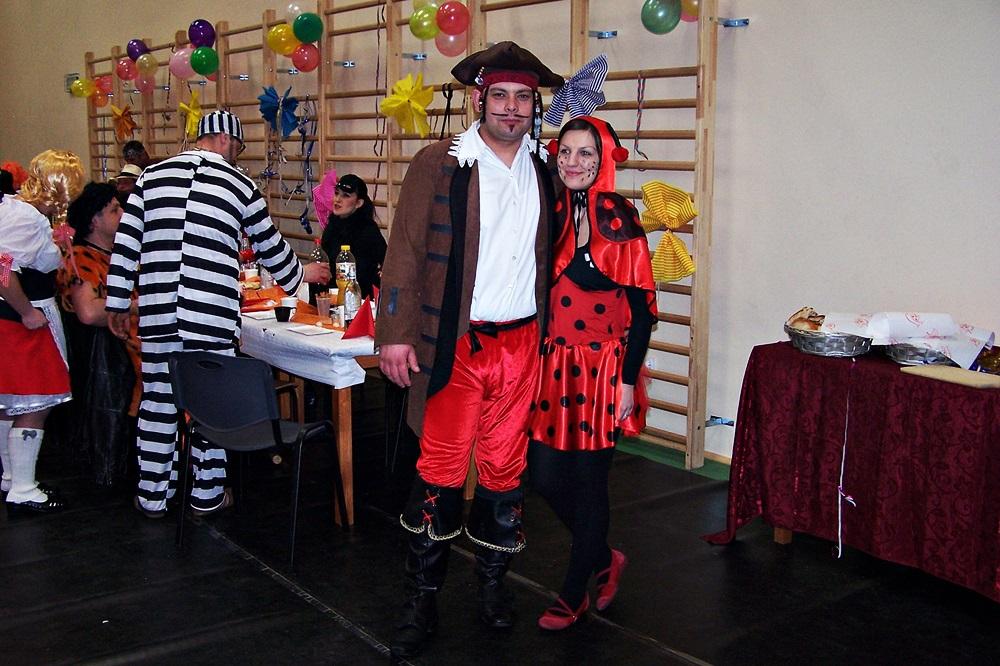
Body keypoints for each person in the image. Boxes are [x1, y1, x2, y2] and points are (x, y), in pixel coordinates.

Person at [376, 42, 563, 659]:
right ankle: (420, 600)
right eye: (500, 95)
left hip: (522, 345)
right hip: (455, 343)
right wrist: (395, 334)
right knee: (440, 470)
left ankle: (492, 587)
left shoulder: (545, 169)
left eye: (523, 98)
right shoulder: (441, 163)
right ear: (480, 99)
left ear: (534, 105)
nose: (511, 108)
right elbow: (403, 251)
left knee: (505, 472)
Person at [105, 110, 331, 519]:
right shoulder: (240, 184)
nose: (237, 154)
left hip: (158, 313)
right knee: (211, 405)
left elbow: (126, 245)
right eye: (238, 146)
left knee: (158, 403)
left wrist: (118, 302)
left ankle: (152, 496)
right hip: (210, 315)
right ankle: (207, 494)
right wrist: (302, 277)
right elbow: (271, 248)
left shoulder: (150, 178)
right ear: (226, 139)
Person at [526, 116, 657, 629]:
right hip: (554, 366)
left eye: (586, 153)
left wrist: (626, 382)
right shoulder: (553, 212)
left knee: (589, 483)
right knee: (543, 476)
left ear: (602, 160)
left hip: (603, 371)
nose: (573, 162)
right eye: (566, 152)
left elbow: (642, 313)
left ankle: (572, 592)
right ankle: (604, 557)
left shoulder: (619, 218)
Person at [0, 150, 84, 512]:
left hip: (15, 317)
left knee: (12, 403)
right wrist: (27, 311)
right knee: (36, 402)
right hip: (22, 319)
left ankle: (12, 477)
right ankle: (22, 486)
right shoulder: (25, 217)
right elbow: (2, 269)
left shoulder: (17, 211)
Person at [55, 182, 142, 488]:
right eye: (115, 210)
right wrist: (135, 306)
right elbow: (89, 313)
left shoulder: (118, 254)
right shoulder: (80, 258)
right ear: (94, 220)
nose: (123, 214)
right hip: (118, 350)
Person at [319, 174, 386, 299]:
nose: (337, 199)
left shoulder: (368, 229)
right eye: (336, 193)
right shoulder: (332, 226)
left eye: (345, 196)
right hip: (333, 296)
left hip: (361, 298)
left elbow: (386, 260)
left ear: (358, 203)